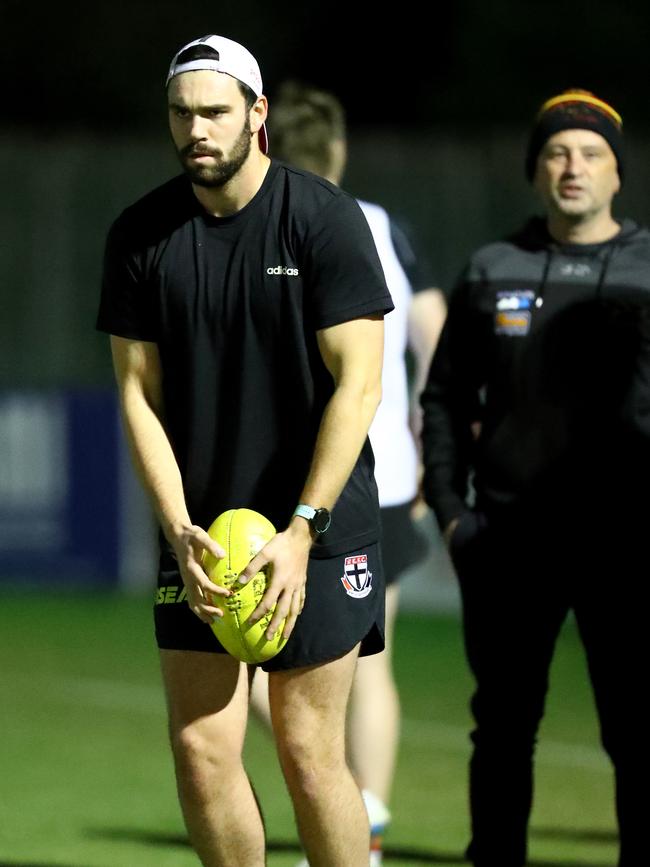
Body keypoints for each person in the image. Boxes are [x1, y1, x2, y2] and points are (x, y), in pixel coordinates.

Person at [96, 34, 394, 867]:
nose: (196, 129)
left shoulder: (322, 219)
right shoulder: (140, 236)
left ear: (257, 115)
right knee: (200, 749)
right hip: (202, 535)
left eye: (215, 112)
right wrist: (177, 525)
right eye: (181, 113)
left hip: (320, 528)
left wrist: (303, 528)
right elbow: (136, 395)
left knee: (306, 749)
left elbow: (359, 386)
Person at [420, 88, 649, 867]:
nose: (573, 166)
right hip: (511, 542)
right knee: (505, 731)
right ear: (536, 171)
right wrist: (454, 512)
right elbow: (445, 398)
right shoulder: (493, 269)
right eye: (556, 152)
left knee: (638, 731)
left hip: (626, 547)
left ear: (619, 173)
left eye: (591, 153)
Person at [247, 82, 447, 866]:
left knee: (251, 656)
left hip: (281, 478)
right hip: (388, 474)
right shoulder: (380, 226)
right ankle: (362, 821)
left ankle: (349, 819)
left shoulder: (267, 224)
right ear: (338, 150)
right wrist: (431, 437)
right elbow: (436, 334)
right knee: (372, 663)